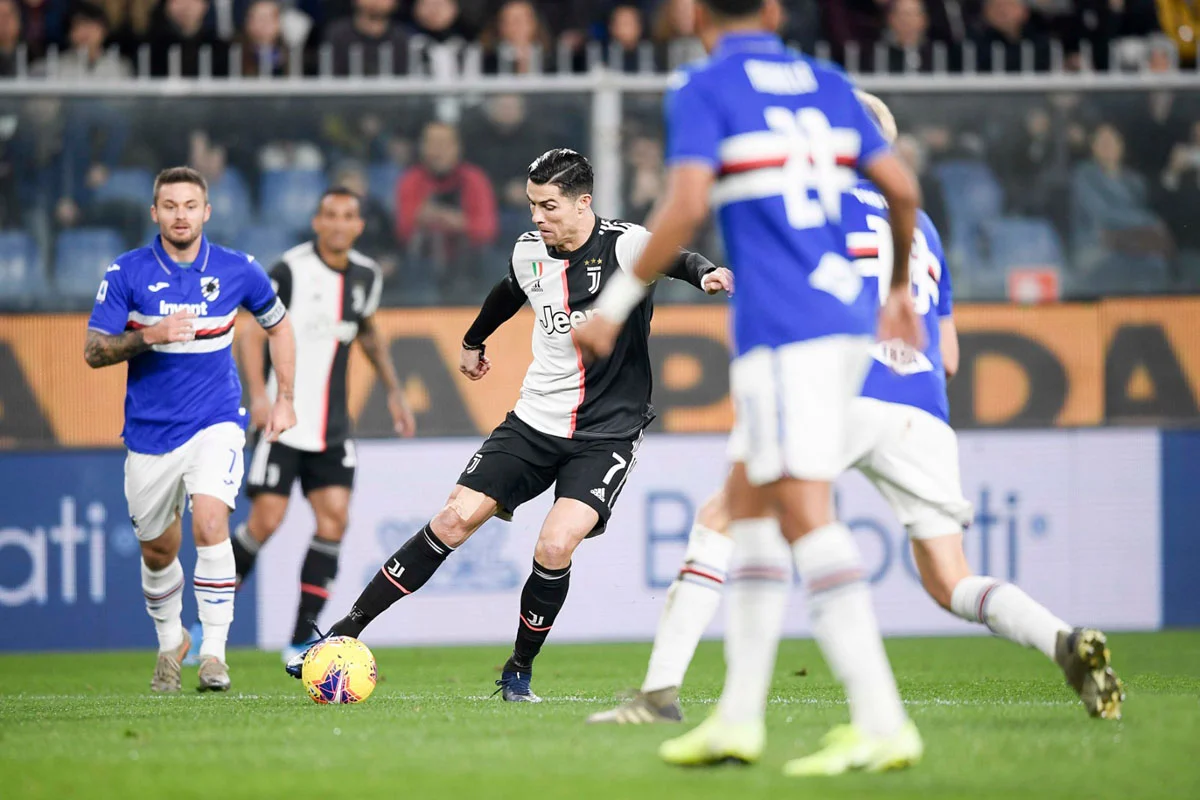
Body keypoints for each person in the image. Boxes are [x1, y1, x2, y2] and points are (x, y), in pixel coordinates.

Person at [588, 92, 1125, 728]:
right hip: (921, 404)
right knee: (951, 579)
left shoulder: (817, 202)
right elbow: (949, 355)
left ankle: (660, 694)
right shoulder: (922, 228)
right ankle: (1062, 640)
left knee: (723, 519)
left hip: (840, 385)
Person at [576, 0, 925, 777]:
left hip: (786, 329)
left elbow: (686, 206)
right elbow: (902, 190)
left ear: (696, 14)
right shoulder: (829, 82)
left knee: (802, 513)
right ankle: (736, 719)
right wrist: (900, 288)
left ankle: (883, 721)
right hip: (841, 316)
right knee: (750, 511)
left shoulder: (704, 86)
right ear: (772, 10)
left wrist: (613, 305)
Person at [285, 148, 733, 702]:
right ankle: (341, 633)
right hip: (533, 422)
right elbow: (508, 292)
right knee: (452, 520)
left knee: (555, 545)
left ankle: (518, 670)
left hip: (607, 434)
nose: (537, 217)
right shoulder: (529, 252)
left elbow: (678, 256)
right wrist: (474, 340)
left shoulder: (625, 244)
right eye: (531, 205)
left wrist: (707, 273)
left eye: (548, 206)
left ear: (583, 203)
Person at [83, 166, 296, 693]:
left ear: (207, 212)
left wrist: (285, 398)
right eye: (170, 206)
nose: (181, 215)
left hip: (216, 421)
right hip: (149, 434)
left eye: (190, 205)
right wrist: (148, 335)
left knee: (211, 523)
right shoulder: (127, 271)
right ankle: (170, 642)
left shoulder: (238, 269)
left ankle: (213, 654)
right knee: (158, 551)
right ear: (154, 212)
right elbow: (93, 351)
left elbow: (279, 326)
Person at [234, 187, 415, 661]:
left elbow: (368, 333)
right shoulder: (289, 270)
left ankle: (299, 641)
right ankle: (206, 625)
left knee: (334, 520)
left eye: (348, 216)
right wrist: (259, 396)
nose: (338, 223)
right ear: (317, 222)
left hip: (333, 427)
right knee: (265, 522)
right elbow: (249, 334)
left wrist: (394, 392)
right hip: (283, 420)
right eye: (330, 215)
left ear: (359, 225)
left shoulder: (366, 275)